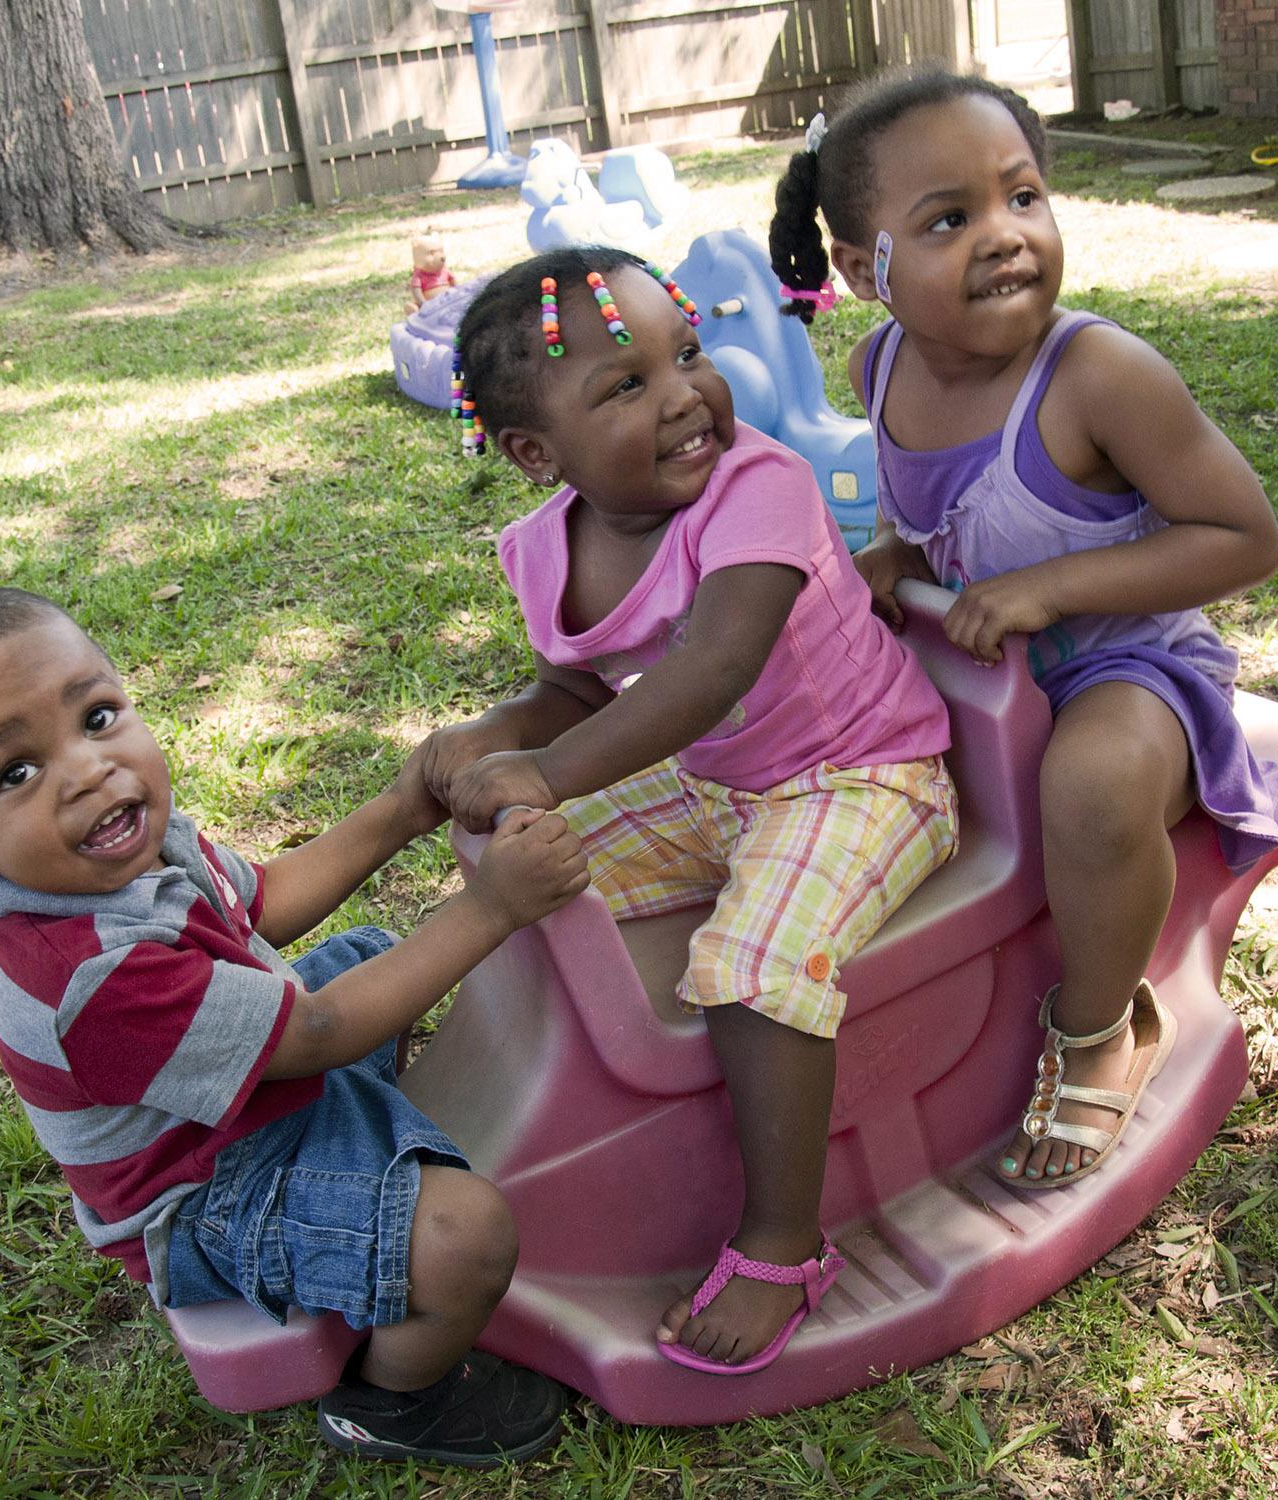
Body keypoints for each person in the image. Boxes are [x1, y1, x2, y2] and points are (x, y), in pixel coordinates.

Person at [0, 588, 588, 1466]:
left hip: (238, 1096)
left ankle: (366, 1184)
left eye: (97, 716)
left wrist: (399, 809)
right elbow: (319, 1033)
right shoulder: (92, 970)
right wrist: (492, 906)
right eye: (16, 773)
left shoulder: (131, 855)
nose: (88, 771)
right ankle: (394, 1404)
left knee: (368, 953)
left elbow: (260, 904)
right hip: (205, 1183)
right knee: (466, 1237)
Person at [422, 248, 960, 1374]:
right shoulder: (543, 550)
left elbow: (709, 667)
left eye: (689, 353)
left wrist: (553, 770)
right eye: (624, 386)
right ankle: (530, 1126)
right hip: (716, 786)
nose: (683, 395)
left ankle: (782, 1242)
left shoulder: (756, 485)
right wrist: (504, 735)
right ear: (535, 452)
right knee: (528, 879)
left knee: (752, 969)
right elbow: (578, 684)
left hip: (863, 774)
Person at [768, 67, 1278, 1188]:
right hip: (975, 664)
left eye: (1022, 197)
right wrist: (893, 561)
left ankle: (1101, 1028)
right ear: (869, 271)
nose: (1004, 236)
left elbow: (1244, 539)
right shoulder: (883, 364)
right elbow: (943, 524)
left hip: (1127, 661)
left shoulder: (1100, 375)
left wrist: (1053, 593)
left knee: (1093, 785)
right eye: (950, 219)